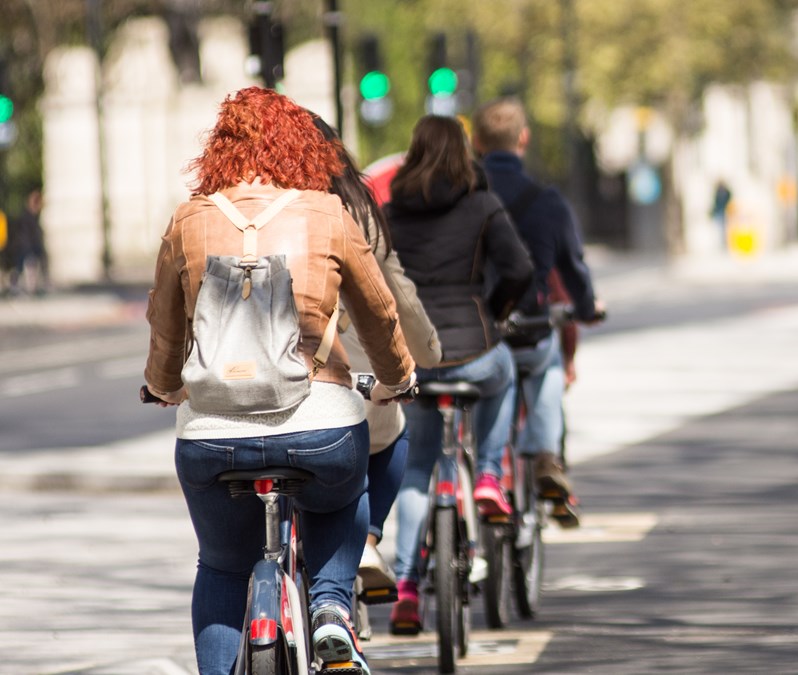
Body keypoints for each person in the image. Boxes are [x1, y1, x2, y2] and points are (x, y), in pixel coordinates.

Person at [143, 87, 416, 675]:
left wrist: (164, 386)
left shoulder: (188, 220)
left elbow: (164, 329)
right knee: (345, 495)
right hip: (318, 424)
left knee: (221, 564)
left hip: (210, 435)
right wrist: (398, 377)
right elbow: (379, 314)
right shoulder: (328, 214)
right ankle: (330, 611)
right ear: (301, 150)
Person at [385, 114, 533, 633]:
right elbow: (518, 270)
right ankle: (490, 474)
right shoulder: (483, 205)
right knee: (505, 372)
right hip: (474, 349)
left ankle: (405, 587)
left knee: (418, 466)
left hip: (418, 359)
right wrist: (492, 310)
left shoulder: (390, 213)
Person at [309, 113, 444, 596]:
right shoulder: (354, 207)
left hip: (248, 383)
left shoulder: (236, 209)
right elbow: (393, 294)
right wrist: (420, 359)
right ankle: (365, 539)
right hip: (344, 373)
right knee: (389, 441)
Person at [472, 97, 602, 521]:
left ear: (476, 142)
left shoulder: (465, 196)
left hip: (473, 333)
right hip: (528, 327)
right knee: (546, 362)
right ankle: (546, 455)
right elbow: (572, 267)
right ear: (523, 139)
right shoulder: (546, 200)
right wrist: (585, 307)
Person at [6, 188, 48, 295]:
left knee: (26, 270)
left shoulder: (32, 217)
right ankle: (19, 288)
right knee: (24, 269)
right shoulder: (27, 217)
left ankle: (28, 289)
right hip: (26, 248)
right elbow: (26, 235)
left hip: (28, 248)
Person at [711, 179, 732, 252]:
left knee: (725, 228)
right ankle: (722, 243)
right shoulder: (717, 192)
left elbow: (729, 201)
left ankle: (726, 243)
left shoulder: (727, 192)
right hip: (719, 212)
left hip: (726, 212)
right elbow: (715, 203)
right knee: (720, 228)